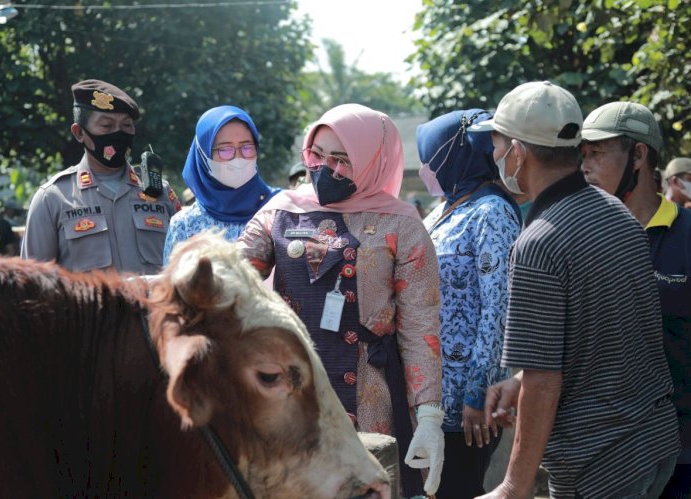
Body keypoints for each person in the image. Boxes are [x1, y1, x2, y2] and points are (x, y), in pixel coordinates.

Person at [470, 81, 679, 499]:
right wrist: (523, 381)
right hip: (654, 443)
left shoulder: (539, 241)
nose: (494, 158)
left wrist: (513, 484)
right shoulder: (615, 211)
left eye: (496, 146)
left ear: (519, 152)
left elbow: (545, 381)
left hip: (601, 466)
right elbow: (607, 334)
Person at [238, 103, 444, 497]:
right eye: (316, 155)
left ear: (372, 160)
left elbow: (420, 326)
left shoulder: (401, 223)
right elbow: (235, 269)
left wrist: (430, 415)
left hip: (368, 395)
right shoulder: (280, 210)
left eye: (342, 159)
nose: (324, 168)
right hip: (291, 392)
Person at [580, 101, 691, 499]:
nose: (585, 166)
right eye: (582, 155)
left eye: (597, 153)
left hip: (682, 452)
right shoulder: (582, 239)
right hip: (605, 451)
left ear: (639, 155)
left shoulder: (686, 235)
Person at [416, 109, 521, 499]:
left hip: (468, 408)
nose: (426, 167)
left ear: (450, 153)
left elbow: (499, 309)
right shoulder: (444, 209)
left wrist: (478, 393)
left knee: (463, 488)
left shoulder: (490, 213)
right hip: (434, 398)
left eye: (430, 156)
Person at [21, 79, 180, 274]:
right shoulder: (52, 198)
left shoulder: (160, 192)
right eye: (106, 126)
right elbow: (33, 283)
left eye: (127, 126)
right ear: (79, 133)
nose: (118, 134)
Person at [163, 105, 278, 266]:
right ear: (203, 155)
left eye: (246, 147)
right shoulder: (185, 225)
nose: (238, 157)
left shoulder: (280, 209)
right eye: (225, 150)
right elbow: (173, 288)